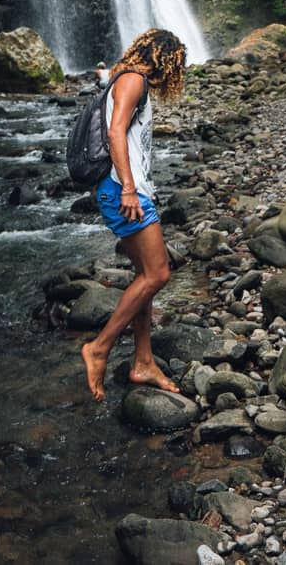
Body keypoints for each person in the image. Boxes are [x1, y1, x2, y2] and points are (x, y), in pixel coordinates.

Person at [81, 27, 186, 402]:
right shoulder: (133, 80)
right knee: (158, 273)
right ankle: (100, 348)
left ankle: (143, 360)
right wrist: (128, 187)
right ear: (165, 59)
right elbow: (115, 133)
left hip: (128, 190)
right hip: (123, 191)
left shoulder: (124, 78)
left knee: (145, 275)